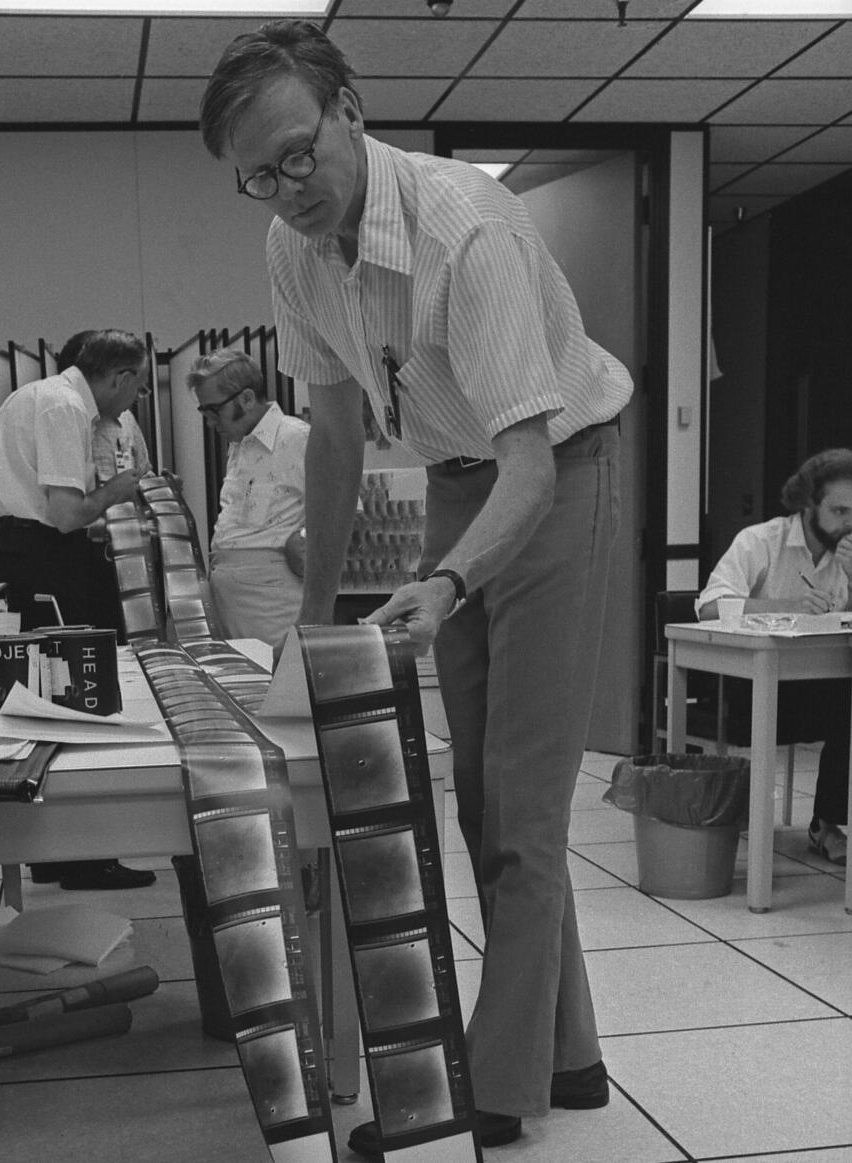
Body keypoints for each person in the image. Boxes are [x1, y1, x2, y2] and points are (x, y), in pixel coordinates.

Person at [200, 20, 633, 1151]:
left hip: (558, 475)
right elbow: (335, 439)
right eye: (258, 173)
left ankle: (481, 1093)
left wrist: (443, 583)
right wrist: (310, 619)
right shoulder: (293, 251)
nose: (288, 187)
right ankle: (572, 1059)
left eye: (299, 152)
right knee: (482, 798)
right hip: (454, 478)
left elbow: (530, 463)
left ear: (348, 109)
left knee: (525, 807)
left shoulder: (467, 226)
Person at [0, 327, 156, 891]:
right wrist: (121, 490)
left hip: (41, 555)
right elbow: (65, 514)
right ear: (121, 377)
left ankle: (61, 850)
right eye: (139, 387)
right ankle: (79, 853)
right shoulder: (62, 408)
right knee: (75, 696)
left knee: (52, 697)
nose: (137, 400)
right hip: (48, 554)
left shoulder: (55, 400)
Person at [697, 448, 852, 866]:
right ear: (808, 504)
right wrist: (788, 607)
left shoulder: (849, 556)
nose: (848, 522)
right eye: (839, 510)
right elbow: (711, 606)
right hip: (751, 689)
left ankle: (826, 821)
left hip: (822, 688)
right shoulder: (761, 541)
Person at [187, 349, 309, 650]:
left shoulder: (295, 437)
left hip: (272, 597)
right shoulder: (239, 443)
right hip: (233, 593)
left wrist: (306, 538)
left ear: (247, 399)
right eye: (204, 412)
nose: (210, 421)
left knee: (279, 685)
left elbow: (349, 510)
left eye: (214, 410)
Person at [58, 329, 154, 484]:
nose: (136, 398)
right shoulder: (63, 421)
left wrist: (160, 488)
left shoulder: (126, 418)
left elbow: (144, 472)